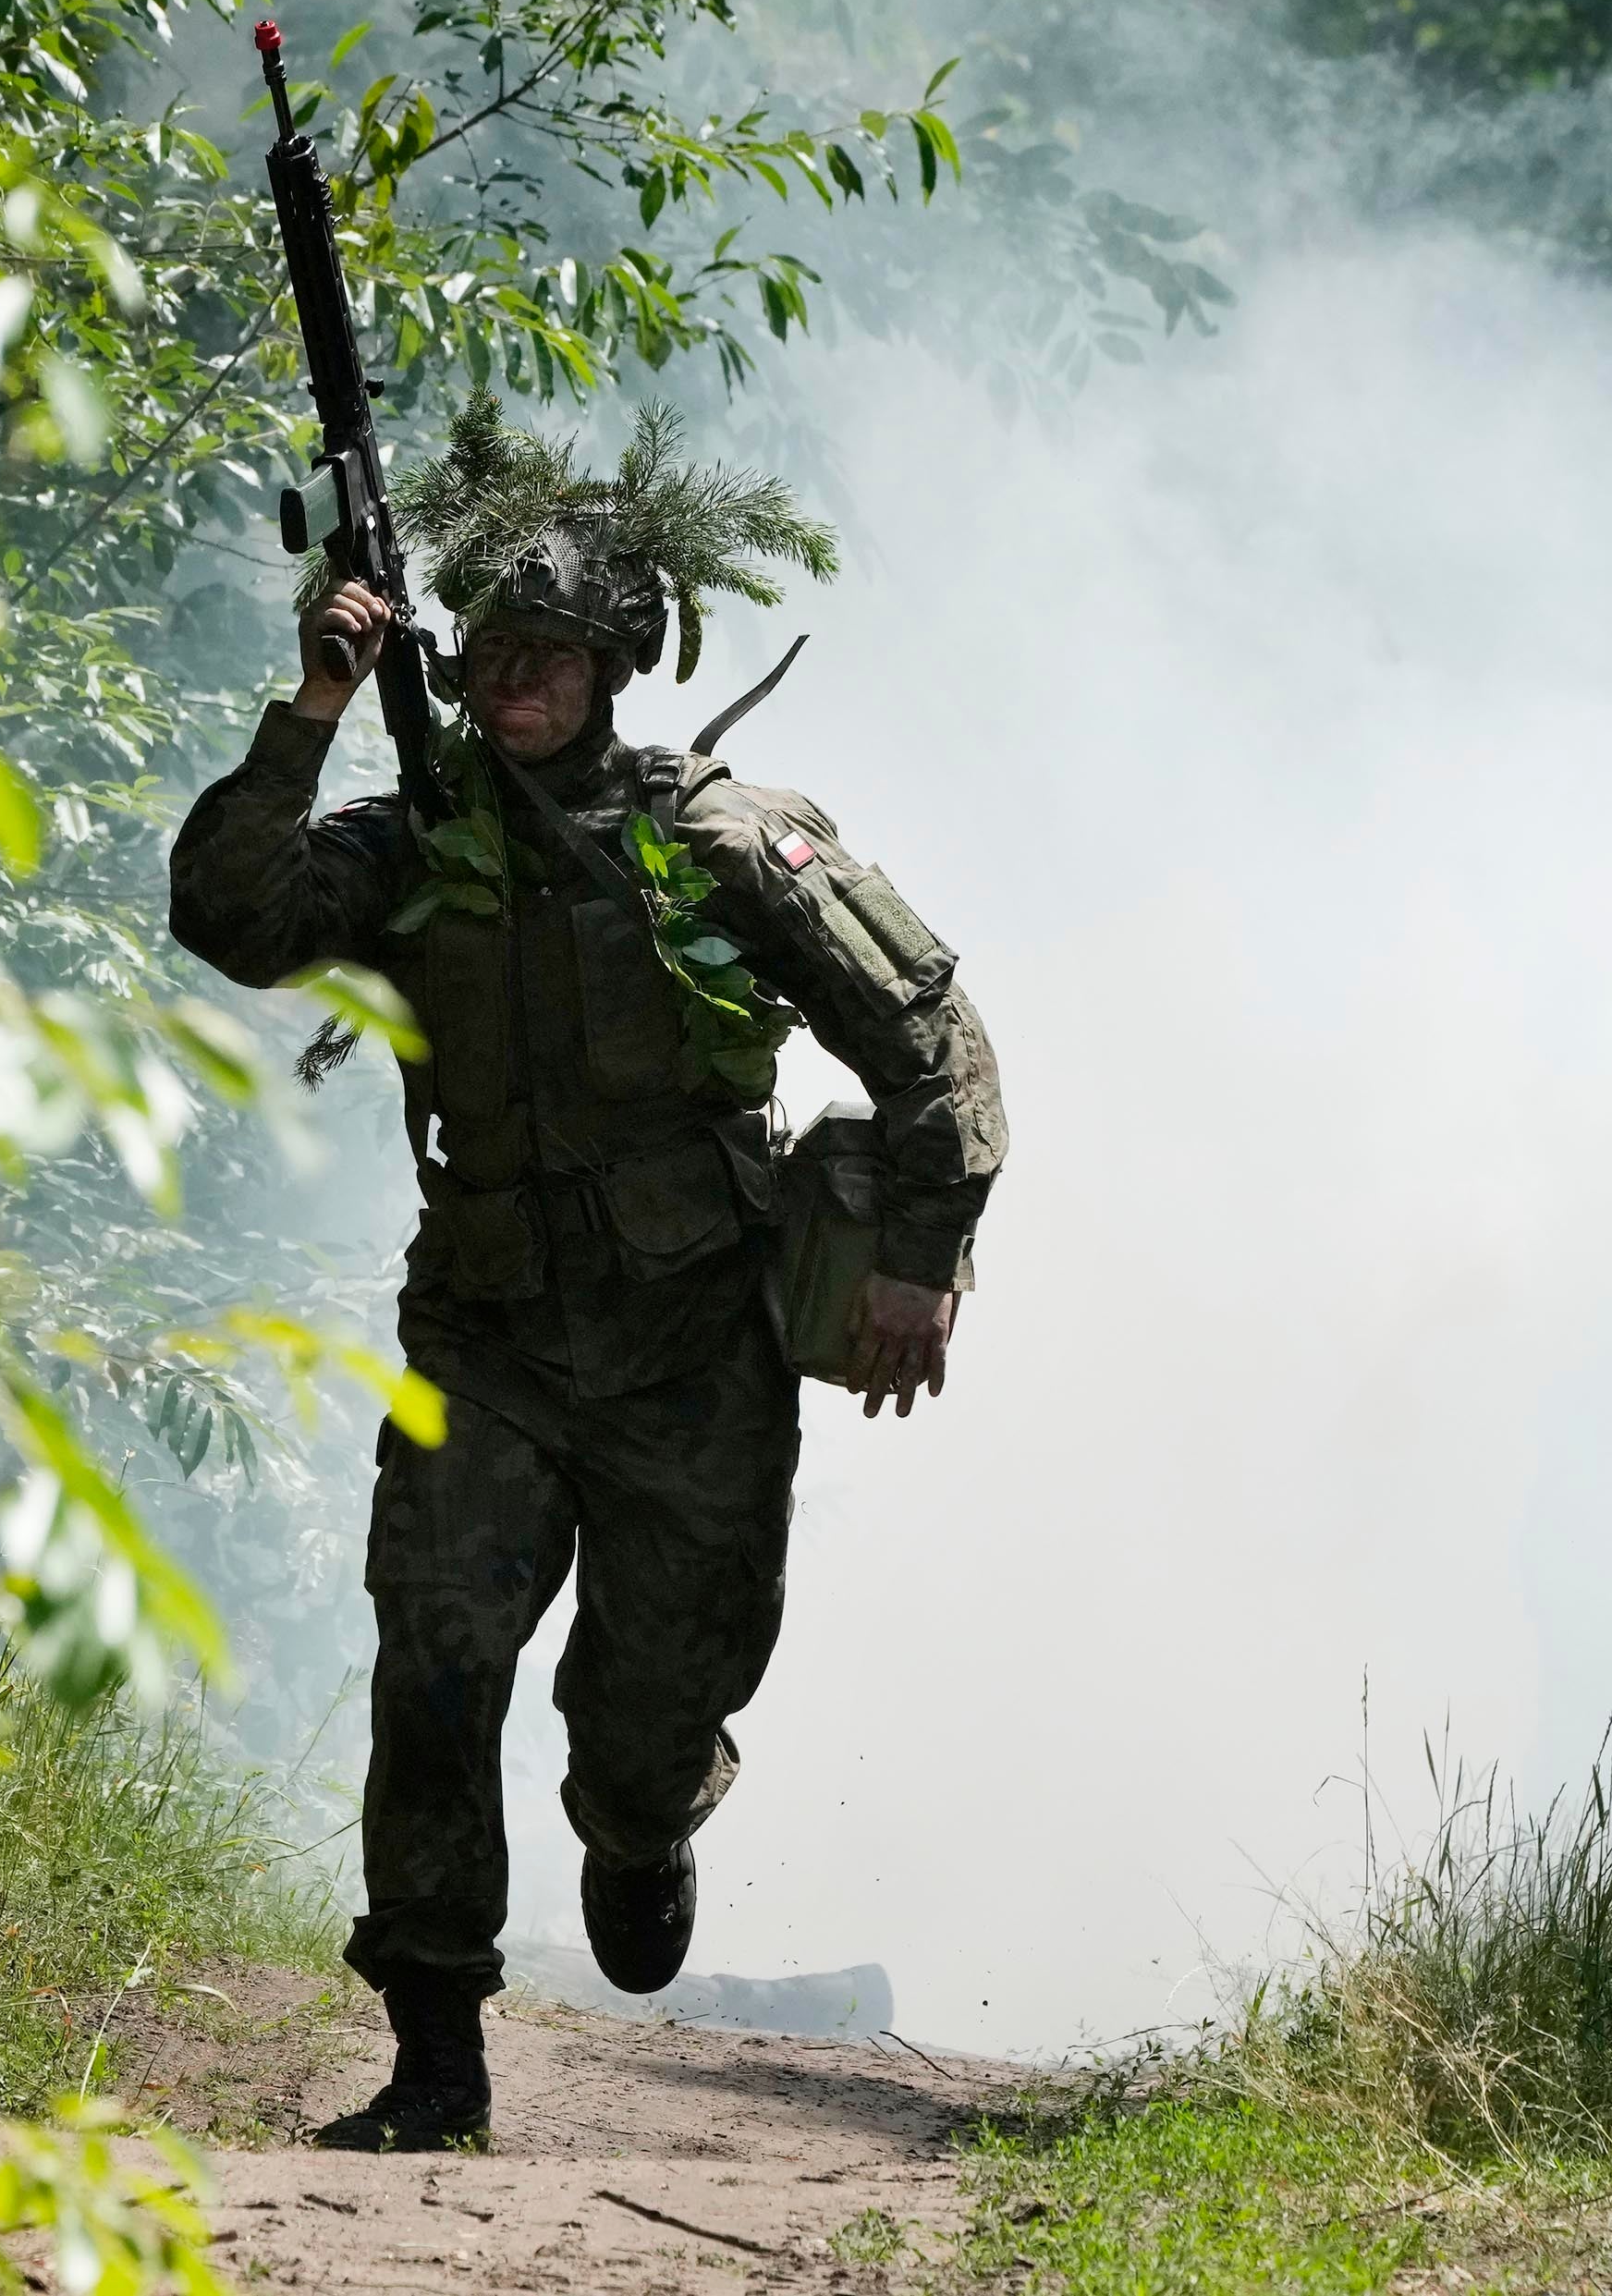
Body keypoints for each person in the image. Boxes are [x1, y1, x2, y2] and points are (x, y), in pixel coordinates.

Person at [165, 412, 1005, 2153]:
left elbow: (926, 1031)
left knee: (649, 1706)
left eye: (554, 652)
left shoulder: (714, 842)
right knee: (438, 1658)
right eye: (491, 648)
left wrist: (921, 1258)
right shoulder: (418, 841)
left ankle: (642, 1826)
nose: (517, 677)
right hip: (484, 1340)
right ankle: (436, 2050)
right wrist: (316, 702)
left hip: (692, 1352)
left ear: (620, 664)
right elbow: (232, 915)